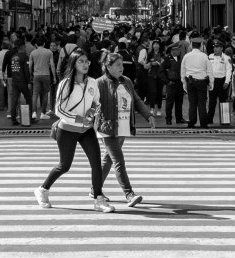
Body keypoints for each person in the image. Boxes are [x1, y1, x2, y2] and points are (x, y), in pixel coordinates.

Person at [35, 50, 108, 212]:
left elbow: (97, 102)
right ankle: (42, 189)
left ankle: (99, 199)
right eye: (81, 61)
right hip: (67, 130)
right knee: (64, 166)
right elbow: (59, 109)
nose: (85, 64)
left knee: (96, 164)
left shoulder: (92, 83)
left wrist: (93, 111)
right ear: (74, 63)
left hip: (87, 130)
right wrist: (78, 119)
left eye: (87, 61)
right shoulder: (65, 84)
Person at [94, 51, 155, 209]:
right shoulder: (99, 83)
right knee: (118, 161)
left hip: (123, 126)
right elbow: (93, 105)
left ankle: (95, 189)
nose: (122, 68)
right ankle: (129, 194)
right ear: (108, 67)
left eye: (122, 65)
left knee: (108, 159)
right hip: (107, 127)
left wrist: (148, 115)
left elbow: (136, 99)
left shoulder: (126, 81)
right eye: (118, 65)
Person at [181, 38, 211, 128]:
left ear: (191, 45)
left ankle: (192, 122)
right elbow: (209, 71)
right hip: (202, 82)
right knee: (202, 103)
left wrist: (184, 83)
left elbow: (183, 71)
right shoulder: (204, 56)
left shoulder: (186, 56)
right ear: (201, 46)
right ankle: (203, 123)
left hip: (190, 82)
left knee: (192, 103)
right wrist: (211, 83)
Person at [3, 36, 33, 125]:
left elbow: (11, 69)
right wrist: (29, 82)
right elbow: (26, 71)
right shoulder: (24, 57)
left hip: (14, 81)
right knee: (28, 99)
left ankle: (13, 119)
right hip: (23, 82)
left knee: (14, 100)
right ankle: (28, 118)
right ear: (22, 47)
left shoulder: (13, 57)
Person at [207, 40, 234, 125]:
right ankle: (209, 119)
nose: (215, 49)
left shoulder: (226, 58)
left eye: (217, 47)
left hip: (221, 81)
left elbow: (229, 70)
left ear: (222, 48)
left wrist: (227, 82)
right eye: (214, 47)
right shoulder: (210, 56)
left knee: (223, 101)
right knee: (211, 101)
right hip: (212, 81)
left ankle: (225, 120)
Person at [28, 37, 55, 120]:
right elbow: (52, 65)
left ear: (36, 44)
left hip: (36, 75)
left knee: (35, 94)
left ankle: (34, 113)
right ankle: (43, 113)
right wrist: (54, 76)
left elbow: (30, 66)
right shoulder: (49, 52)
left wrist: (31, 74)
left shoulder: (33, 53)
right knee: (45, 94)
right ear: (44, 44)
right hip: (46, 75)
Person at [164, 42, 185, 125]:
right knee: (170, 102)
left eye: (179, 49)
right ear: (172, 51)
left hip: (179, 83)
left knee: (179, 102)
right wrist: (167, 81)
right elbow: (161, 71)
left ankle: (179, 118)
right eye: (177, 49)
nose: (179, 51)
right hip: (171, 83)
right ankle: (168, 119)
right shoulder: (167, 59)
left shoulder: (180, 58)